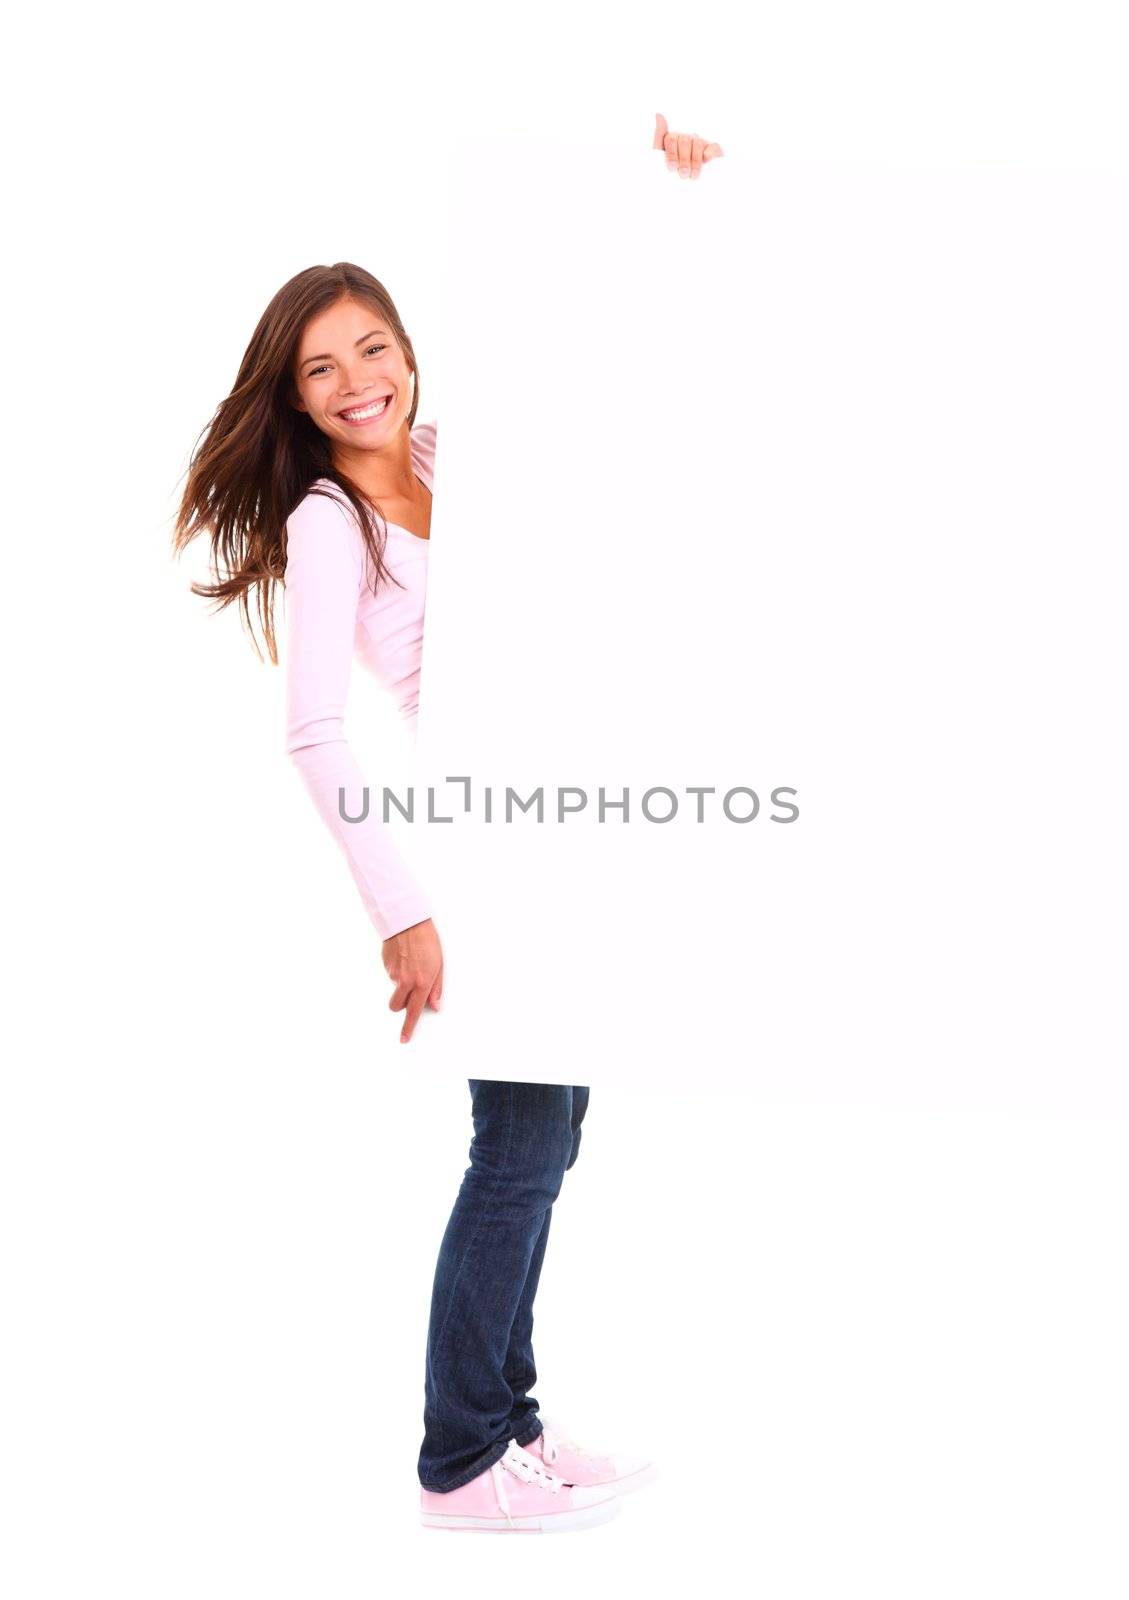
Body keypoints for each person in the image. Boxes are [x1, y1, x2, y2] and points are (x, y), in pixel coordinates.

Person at [172, 111, 724, 1534]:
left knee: (548, 1130)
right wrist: (403, 912)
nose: (356, 380)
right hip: (488, 858)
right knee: (520, 1146)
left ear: (406, 348)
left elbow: (599, 381)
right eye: (321, 367)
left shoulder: (453, 452)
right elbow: (311, 728)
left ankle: (510, 1426)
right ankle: (461, 1461)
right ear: (291, 397)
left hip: (568, 833)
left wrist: (658, 201)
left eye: (371, 346)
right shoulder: (326, 522)